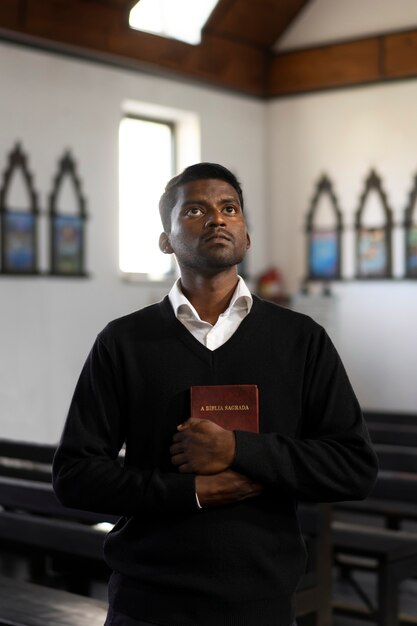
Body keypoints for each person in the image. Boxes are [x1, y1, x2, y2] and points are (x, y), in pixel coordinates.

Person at [53, 162, 378, 626]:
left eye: (230, 208)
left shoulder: (301, 339)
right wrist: (192, 492)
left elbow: (354, 467)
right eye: (195, 210)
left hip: (260, 601)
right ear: (165, 240)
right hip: (147, 602)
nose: (217, 219)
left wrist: (239, 449)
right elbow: (75, 475)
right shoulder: (124, 342)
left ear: (246, 236)